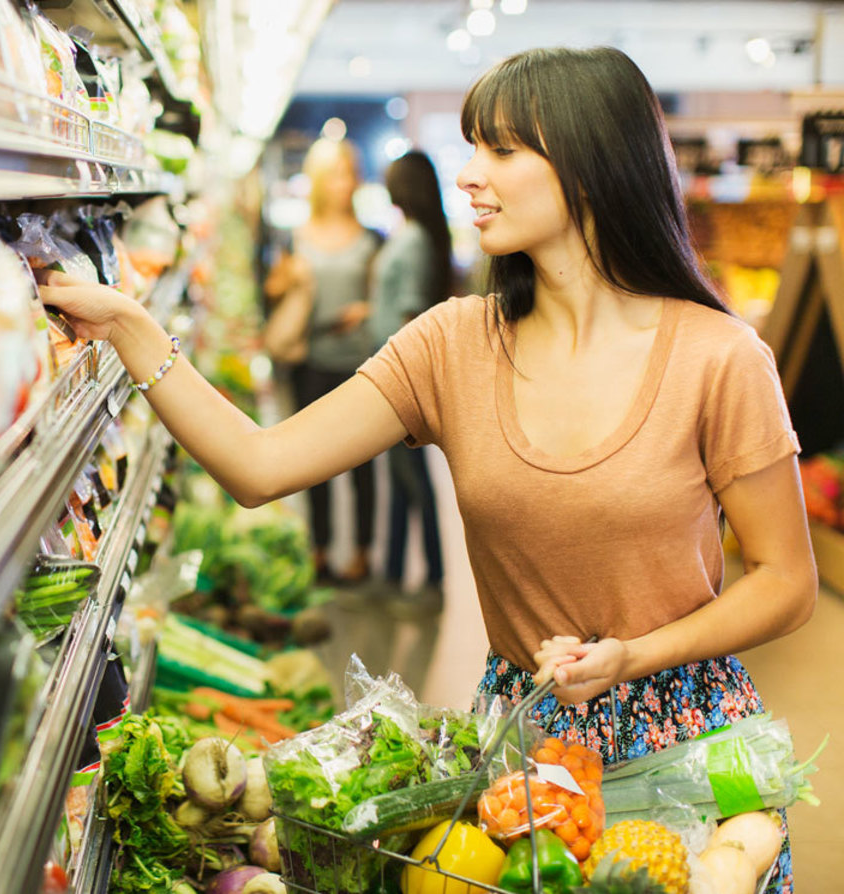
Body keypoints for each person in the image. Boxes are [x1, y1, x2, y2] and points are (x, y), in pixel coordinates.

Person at [42, 47, 816, 892]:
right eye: (470, 148)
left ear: (593, 166)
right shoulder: (452, 344)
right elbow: (259, 467)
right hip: (526, 761)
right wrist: (127, 325)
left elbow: (785, 580)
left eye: (503, 151)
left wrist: (635, 655)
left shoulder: (719, 357)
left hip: (694, 765)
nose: (470, 176)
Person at [264, 137, 382, 584]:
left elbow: (382, 298)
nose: (343, 183)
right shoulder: (296, 237)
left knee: (364, 465)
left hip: (363, 365)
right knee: (314, 462)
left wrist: (367, 311)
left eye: (349, 173)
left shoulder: (371, 240)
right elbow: (273, 290)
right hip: (312, 360)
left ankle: (363, 552)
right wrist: (288, 280)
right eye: (335, 173)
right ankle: (320, 549)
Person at [370, 150, 452, 613]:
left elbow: (409, 311)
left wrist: (399, 377)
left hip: (401, 384)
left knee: (415, 483)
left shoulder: (416, 240)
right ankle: (395, 575)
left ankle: (434, 581)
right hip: (392, 379)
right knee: (401, 485)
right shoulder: (413, 235)